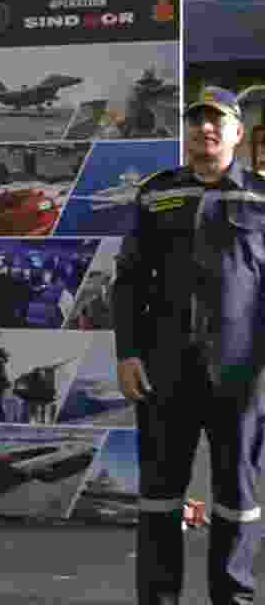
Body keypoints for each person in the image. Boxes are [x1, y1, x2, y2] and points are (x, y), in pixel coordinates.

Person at [112, 85, 265, 605]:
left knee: (237, 500)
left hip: (241, 377)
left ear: (238, 134)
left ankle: (234, 598)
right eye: (197, 119)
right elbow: (129, 281)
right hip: (164, 373)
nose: (206, 128)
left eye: (217, 120)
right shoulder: (157, 193)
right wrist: (128, 353)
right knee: (158, 500)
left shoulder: (261, 197)